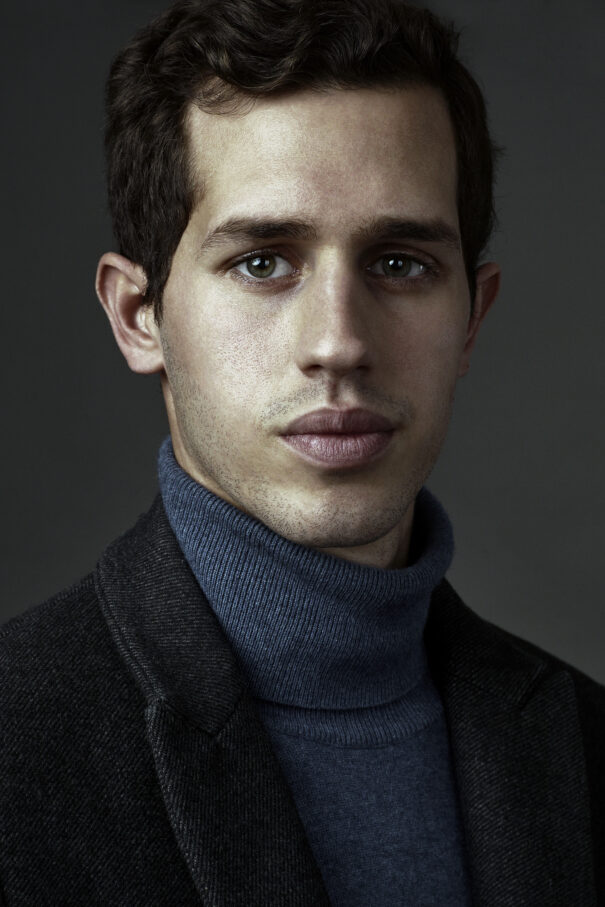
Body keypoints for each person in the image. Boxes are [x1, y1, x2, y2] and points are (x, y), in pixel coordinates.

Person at [0, 0, 602, 903]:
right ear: (137, 316)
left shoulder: (585, 745)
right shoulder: (17, 741)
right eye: (262, 262)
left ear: (471, 319)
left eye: (399, 263)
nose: (338, 342)